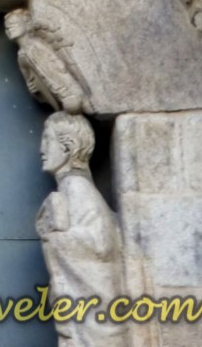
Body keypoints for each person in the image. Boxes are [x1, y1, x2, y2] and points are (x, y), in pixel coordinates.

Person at [37, 113, 127, 345]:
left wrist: (55, 239)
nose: (41, 149)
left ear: (69, 147)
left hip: (97, 311)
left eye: (48, 140)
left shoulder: (77, 188)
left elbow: (101, 243)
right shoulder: (71, 189)